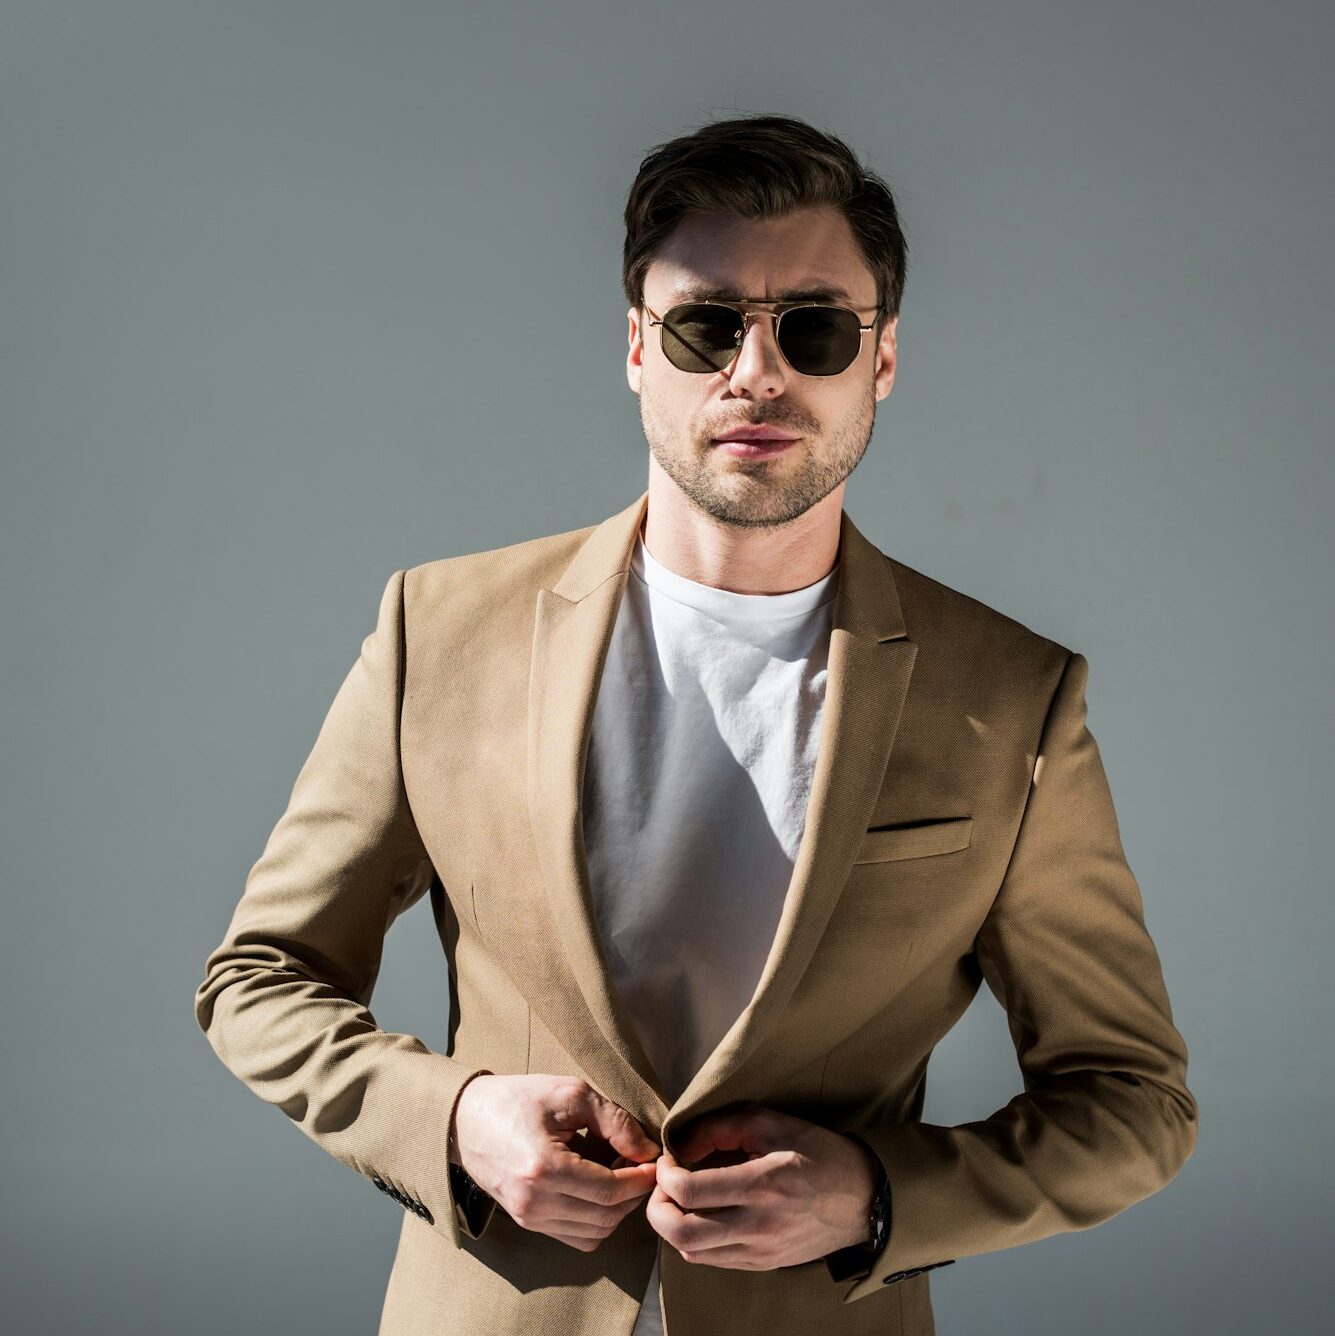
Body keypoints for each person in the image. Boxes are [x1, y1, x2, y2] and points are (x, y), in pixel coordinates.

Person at [194, 113, 1198, 1336]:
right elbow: (261, 977)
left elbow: (1133, 1099)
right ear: (636, 346)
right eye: (707, 324)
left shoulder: (1012, 696)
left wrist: (880, 1195)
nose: (756, 372)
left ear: (880, 362)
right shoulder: (439, 633)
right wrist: (452, 1119)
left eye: (814, 329)